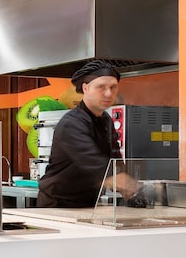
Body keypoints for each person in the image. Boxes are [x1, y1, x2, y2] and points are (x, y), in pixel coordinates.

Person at [36, 60, 139, 208]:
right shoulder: (72, 123)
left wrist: (129, 186)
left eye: (113, 87)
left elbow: (115, 157)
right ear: (85, 88)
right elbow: (92, 161)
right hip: (58, 204)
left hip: (89, 202)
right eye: (101, 87)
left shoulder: (106, 120)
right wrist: (123, 182)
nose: (108, 93)